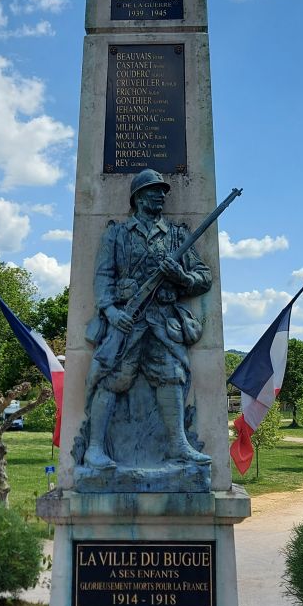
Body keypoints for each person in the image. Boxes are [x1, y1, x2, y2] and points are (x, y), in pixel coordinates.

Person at [83, 169, 212, 470]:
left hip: (163, 321)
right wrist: (112, 312)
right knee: (113, 378)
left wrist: (181, 277)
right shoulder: (117, 234)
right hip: (127, 321)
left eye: (163, 191)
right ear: (138, 197)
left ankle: (178, 446)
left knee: (171, 376)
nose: (162, 195)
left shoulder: (177, 236)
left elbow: (203, 278)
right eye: (154, 190)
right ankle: (94, 449)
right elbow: (103, 277)